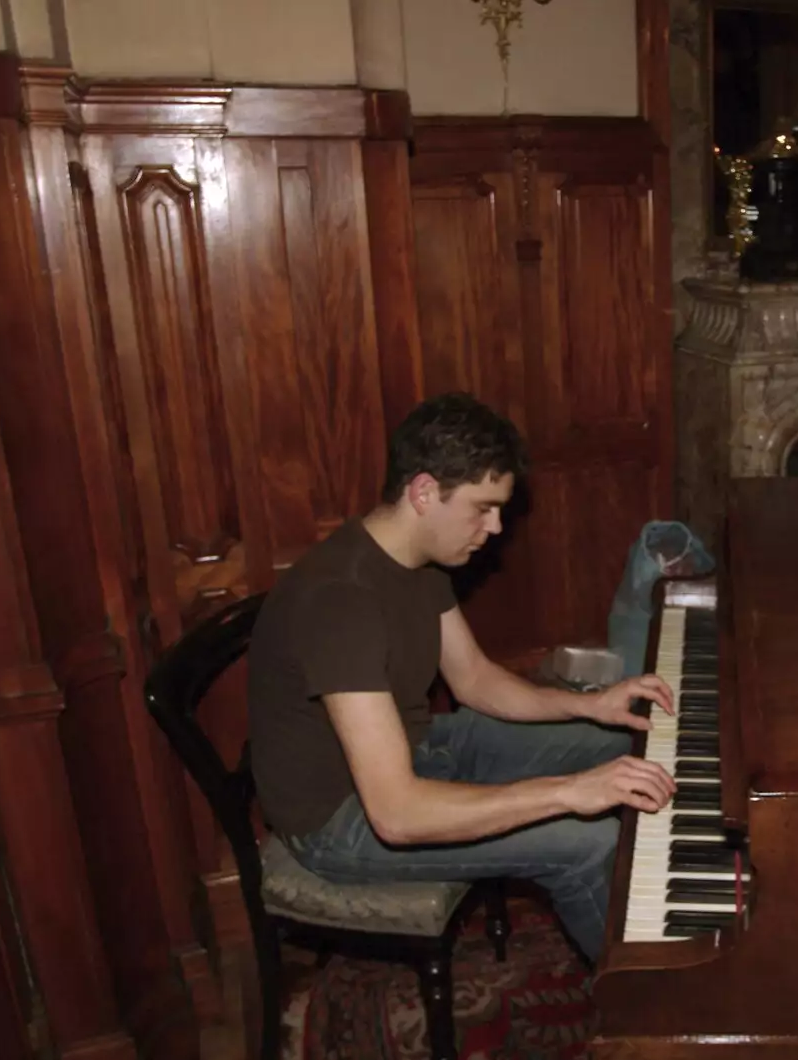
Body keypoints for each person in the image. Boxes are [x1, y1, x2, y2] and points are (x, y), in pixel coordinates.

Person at [247, 392, 677, 962]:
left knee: (634, 741)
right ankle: (656, 1010)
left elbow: (474, 679)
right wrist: (569, 792)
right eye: (483, 507)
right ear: (424, 492)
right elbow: (396, 815)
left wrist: (591, 704)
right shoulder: (340, 603)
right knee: (590, 842)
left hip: (417, 751)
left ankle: (689, 903)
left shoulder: (414, 559)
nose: (495, 527)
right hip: (341, 822)